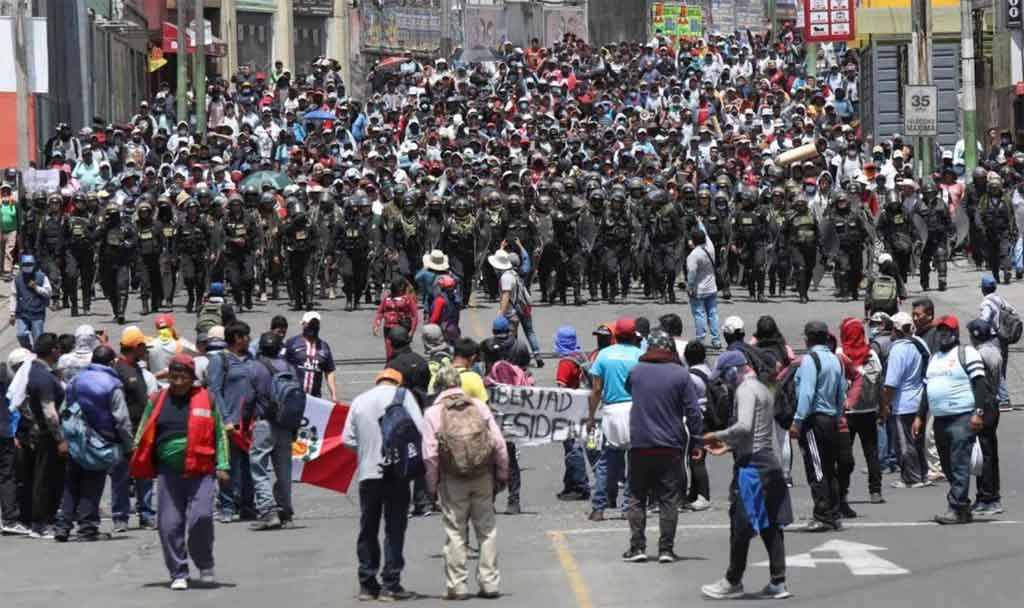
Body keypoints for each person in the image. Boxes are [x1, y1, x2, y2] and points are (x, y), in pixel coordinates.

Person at [129, 354, 230, 590]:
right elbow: (143, 430)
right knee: (169, 524)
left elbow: (220, 434)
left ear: (192, 378)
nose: (178, 382)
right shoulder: (157, 399)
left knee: (201, 518)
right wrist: (136, 456)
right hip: (168, 472)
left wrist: (223, 465)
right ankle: (178, 572)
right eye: (174, 377)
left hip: (201, 470)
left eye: (183, 377)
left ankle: (204, 563)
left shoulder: (207, 399)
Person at [701, 350, 792, 600]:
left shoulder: (745, 390)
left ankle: (733, 579)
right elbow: (757, 431)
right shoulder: (764, 388)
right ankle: (778, 580)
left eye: (725, 376)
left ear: (734, 370)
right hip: (767, 460)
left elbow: (744, 426)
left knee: (741, 523)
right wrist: (729, 446)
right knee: (770, 523)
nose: (725, 382)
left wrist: (716, 436)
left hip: (752, 466)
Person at [422, 365, 508, 600]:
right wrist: (502, 474)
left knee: (455, 532)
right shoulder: (478, 406)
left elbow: (430, 455)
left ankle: (457, 586)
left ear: (439, 386)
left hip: (452, 479)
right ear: (459, 384)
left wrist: (432, 487)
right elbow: (499, 443)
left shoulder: (432, 413)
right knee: (487, 530)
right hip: (482, 475)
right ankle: (490, 583)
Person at [342, 368, 424, 601]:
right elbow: (419, 430)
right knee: (394, 528)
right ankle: (391, 583)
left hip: (368, 474)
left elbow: (347, 439)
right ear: (397, 382)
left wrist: (366, 450)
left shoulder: (359, 400)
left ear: (378, 381)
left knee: (368, 528)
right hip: (397, 473)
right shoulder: (403, 397)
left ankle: (367, 584)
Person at [621, 330, 702, 564]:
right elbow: (693, 412)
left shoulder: (636, 371)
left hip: (640, 444)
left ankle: (637, 547)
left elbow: (629, 389)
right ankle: (666, 549)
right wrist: (697, 441)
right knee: (669, 498)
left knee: (637, 496)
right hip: (670, 446)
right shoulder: (681, 374)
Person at [913, 315, 991, 524]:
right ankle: (963, 508)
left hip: (962, 418)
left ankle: (956, 507)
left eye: (947, 330)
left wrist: (978, 412)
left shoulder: (967, 353)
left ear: (955, 333)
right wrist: (920, 416)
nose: (943, 334)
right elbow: (927, 388)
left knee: (959, 464)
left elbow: (980, 384)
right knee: (947, 466)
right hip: (940, 420)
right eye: (940, 330)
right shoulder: (934, 358)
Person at [55, 345, 135, 542]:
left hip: (75, 439)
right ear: (111, 362)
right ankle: (87, 528)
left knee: (72, 483)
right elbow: (122, 419)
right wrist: (129, 446)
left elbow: (64, 409)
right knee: (93, 483)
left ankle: (63, 526)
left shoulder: (76, 380)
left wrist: (64, 438)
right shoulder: (112, 384)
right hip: (100, 441)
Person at [7, 333, 67, 539]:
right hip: (46, 435)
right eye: (58, 348)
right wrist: (60, 439)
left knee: (38, 478)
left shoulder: (32, 371)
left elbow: (22, 402)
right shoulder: (43, 377)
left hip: (36, 433)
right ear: (53, 351)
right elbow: (50, 412)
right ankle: (41, 524)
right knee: (46, 479)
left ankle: (39, 520)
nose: (60, 351)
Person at [790, 321, 847, 532]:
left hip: (814, 420)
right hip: (832, 419)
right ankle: (834, 513)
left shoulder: (810, 360)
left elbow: (806, 392)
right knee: (829, 468)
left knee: (816, 469)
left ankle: (822, 515)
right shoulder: (836, 360)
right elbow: (842, 392)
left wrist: (798, 420)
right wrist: (839, 415)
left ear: (808, 338)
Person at [585, 317, 642, 521]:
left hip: (611, 411)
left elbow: (596, 389)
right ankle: (628, 506)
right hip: (635, 410)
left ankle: (599, 507)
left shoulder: (603, 356)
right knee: (634, 461)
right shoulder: (640, 355)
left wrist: (591, 416)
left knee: (607, 462)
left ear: (615, 335)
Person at [247, 331, 300, 531]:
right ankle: (286, 512)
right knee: (284, 470)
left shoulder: (255, 368)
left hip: (264, 424)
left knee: (258, 467)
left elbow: (249, 400)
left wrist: (244, 422)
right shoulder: (290, 368)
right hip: (286, 424)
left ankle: (268, 511)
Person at [207, 321, 257, 523]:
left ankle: (247, 506)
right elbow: (214, 391)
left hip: (250, 424)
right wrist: (225, 419)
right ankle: (227, 506)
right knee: (228, 467)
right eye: (246, 336)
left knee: (249, 466)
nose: (249, 339)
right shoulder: (220, 360)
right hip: (230, 424)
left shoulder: (250, 358)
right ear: (237, 338)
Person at [108, 326, 157, 531]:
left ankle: (146, 514)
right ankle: (120, 517)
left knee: (144, 475)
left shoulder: (137, 367)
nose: (146, 350)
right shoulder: (118, 370)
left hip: (142, 431)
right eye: (143, 346)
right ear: (136, 347)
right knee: (121, 476)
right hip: (123, 434)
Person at [880, 312, 931, 488]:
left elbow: (891, 383)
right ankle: (923, 474)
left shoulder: (898, 350)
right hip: (920, 401)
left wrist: (885, 404)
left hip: (903, 403)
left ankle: (911, 477)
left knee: (904, 443)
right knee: (917, 441)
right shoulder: (920, 343)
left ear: (897, 330)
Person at [838, 317, 885, 505]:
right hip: (868, 410)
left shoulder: (840, 354)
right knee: (871, 452)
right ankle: (875, 491)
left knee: (843, 455)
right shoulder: (872, 355)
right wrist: (883, 407)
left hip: (846, 412)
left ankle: (842, 491)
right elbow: (880, 383)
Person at [965, 319, 1003, 515]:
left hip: (984, 405)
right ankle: (992, 496)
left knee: (984, 454)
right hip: (993, 404)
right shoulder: (995, 351)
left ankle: (986, 497)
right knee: (990, 453)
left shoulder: (979, 354)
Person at [554, 325, 591, 501]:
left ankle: (580, 486)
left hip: (570, 411)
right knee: (576, 447)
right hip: (584, 407)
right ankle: (569, 484)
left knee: (573, 449)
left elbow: (561, 389)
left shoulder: (565, 363)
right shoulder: (580, 355)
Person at [491, 248, 544, 368]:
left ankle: (514, 358)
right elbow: (526, 261)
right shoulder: (518, 273)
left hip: (512, 310)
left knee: (512, 336)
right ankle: (538, 356)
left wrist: (501, 312)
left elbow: (506, 295)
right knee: (530, 331)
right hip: (523, 306)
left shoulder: (505, 277)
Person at [0, 349, 29, 535]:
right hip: (4, 433)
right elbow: (15, 405)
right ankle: (10, 520)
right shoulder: (5, 376)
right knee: (6, 476)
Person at [683, 341, 713, 511]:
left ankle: (703, 495)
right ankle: (694, 493)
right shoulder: (709, 371)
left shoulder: (690, 376)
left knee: (696, 458)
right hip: (709, 418)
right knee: (697, 457)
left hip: (698, 420)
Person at [284, 311, 338, 400]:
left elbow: (329, 371)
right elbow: (282, 366)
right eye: (310, 324)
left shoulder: (324, 346)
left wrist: (334, 394)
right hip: (294, 396)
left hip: (315, 398)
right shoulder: (292, 343)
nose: (313, 327)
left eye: (315, 324)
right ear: (303, 324)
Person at [977, 274, 1012, 409]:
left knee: (995, 369)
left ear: (983, 288)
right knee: (1001, 369)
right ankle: (1000, 397)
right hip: (1004, 337)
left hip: (994, 339)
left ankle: (1004, 400)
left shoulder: (986, 302)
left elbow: (984, 320)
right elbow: (1012, 312)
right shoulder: (1001, 300)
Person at [685, 228, 722, 348]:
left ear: (693, 241)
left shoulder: (694, 255)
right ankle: (716, 340)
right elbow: (705, 231)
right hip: (712, 287)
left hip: (698, 290)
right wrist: (699, 221)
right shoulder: (710, 247)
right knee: (713, 313)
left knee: (699, 314)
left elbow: (691, 273)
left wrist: (689, 287)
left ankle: (700, 340)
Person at [9, 254, 53, 349]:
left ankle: (36, 354)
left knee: (38, 339)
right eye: (25, 264)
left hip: (37, 312)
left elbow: (48, 293)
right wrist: (12, 313)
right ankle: (28, 350)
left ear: (34, 264)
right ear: (21, 265)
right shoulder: (17, 279)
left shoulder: (42, 277)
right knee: (21, 334)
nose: (27, 267)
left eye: (30, 264)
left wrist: (36, 287)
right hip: (22, 313)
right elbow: (13, 296)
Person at [373, 279, 419, 361]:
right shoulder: (386, 298)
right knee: (389, 353)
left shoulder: (407, 299)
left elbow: (414, 316)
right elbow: (380, 312)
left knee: (401, 352)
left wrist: (412, 331)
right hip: (388, 329)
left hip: (401, 329)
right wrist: (376, 325)